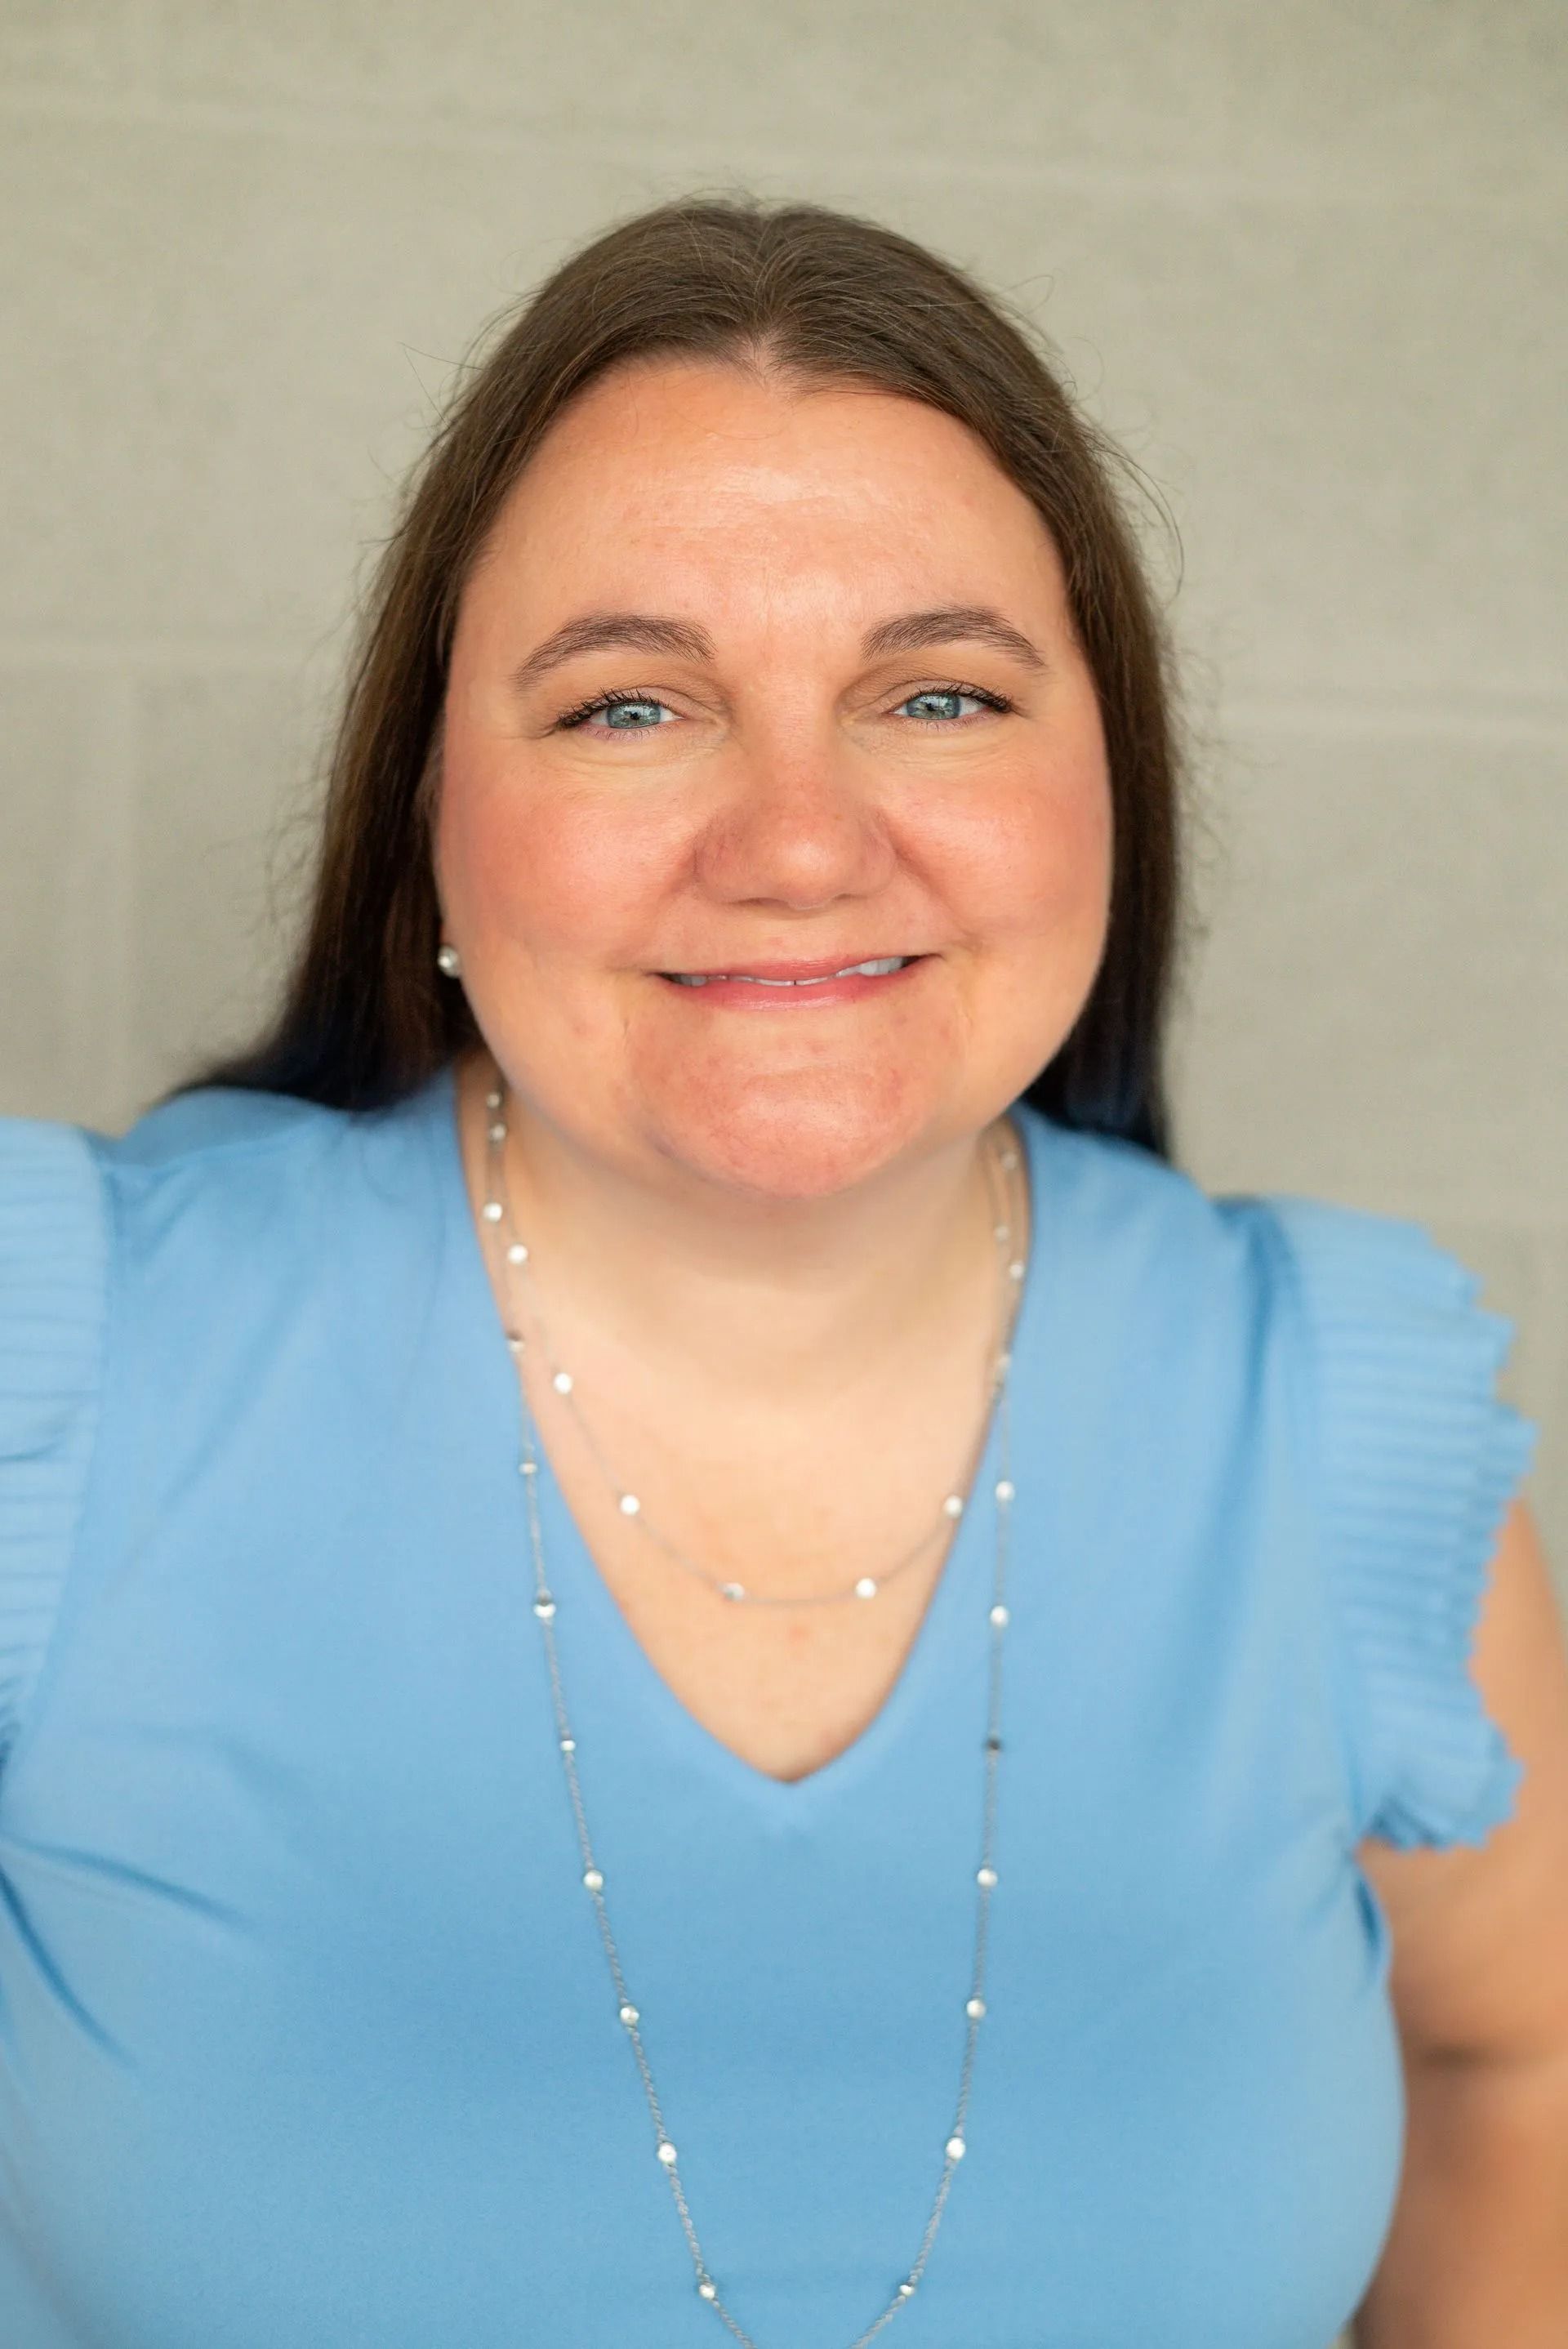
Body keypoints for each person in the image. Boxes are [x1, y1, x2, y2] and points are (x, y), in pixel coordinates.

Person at [2, 194, 1566, 2349]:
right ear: (433, 807)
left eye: (937, 692)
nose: (803, 840)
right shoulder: (54, 1372)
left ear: (1107, 791)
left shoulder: (1336, 1424)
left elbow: (1521, 2053)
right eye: (631, 708)